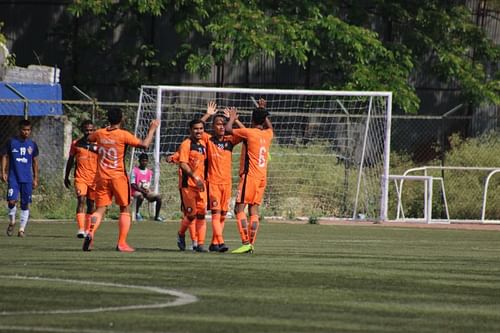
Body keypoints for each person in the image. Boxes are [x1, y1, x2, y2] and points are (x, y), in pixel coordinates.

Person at [83, 108, 159, 252]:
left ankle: (90, 232)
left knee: (100, 209)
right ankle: (122, 243)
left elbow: (89, 139)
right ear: (121, 119)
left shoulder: (100, 133)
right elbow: (144, 145)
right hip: (118, 177)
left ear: (108, 119)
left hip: (101, 177)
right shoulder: (123, 135)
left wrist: (99, 146)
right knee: (125, 209)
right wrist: (152, 129)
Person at [224, 99, 273, 253]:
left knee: (238, 208)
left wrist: (232, 118)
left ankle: (245, 242)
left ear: (252, 119)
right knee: (254, 210)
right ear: (264, 120)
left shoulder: (249, 133)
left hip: (249, 177)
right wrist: (262, 110)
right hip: (262, 178)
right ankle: (251, 243)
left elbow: (228, 130)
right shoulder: (268, 134)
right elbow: (270, 126)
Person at [199, 101, 244, 252]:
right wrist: (208, 115)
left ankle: (214, 243)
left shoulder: (230, 140)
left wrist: (234, 119)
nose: (222, 126)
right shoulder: (207, 139)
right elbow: (196, 129)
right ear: (213, 126)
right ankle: (221, 241)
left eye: (223, 124)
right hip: (213, 182)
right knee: (216, 214)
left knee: (223, 215)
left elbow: (247, 134)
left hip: (227, 183)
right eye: (218, 124)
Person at [167, 118, 208, 252]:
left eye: (201, 129)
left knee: (201, 214)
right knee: (191, 215)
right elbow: (183, 163)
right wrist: (194, 176)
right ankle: (181, 234)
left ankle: (200, 244)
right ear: (190, 130)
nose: (199, 131)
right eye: (196, 129)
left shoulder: (203, 143)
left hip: (201, 185)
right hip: (188, 184)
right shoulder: (186, 144)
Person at [1, 119, 39, 238]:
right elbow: (4, 156)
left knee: (25, 204)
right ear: (19, 129)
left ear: (30, 131)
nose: (26, 132)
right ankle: (12, 221)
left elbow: (35, 162)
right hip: (14, 178)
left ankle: (21, 229)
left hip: (27, 178)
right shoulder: (11, 142)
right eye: (24, 129)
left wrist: (35, 178)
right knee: (11, 201)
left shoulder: (32, 145)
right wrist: (3, 172)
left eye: (28, 130)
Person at [64, 120, 98, 238]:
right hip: (80, 178)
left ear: (94, 130)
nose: (88, 132)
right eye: (86, 130)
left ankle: (89, 230)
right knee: (81, 200)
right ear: (82, 130)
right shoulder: (76, 143)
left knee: (91, 204)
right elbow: (70, 160)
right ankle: (81, 229)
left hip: (95, 179)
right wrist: (66, 176)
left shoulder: (99, 145)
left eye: (91, 130)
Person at [130, 152, 163, 222]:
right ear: (139, 161)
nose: (144, 162)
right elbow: (132, 184)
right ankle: (137, 213)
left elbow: (148, 184)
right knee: (140, 196)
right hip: (135, 191)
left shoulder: (149, 172)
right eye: (143, 161)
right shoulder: (134, 170)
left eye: (146, 161)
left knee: (158, 197)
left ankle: (156, 217)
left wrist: (147, 190)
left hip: (145, 191)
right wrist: (141, 190)